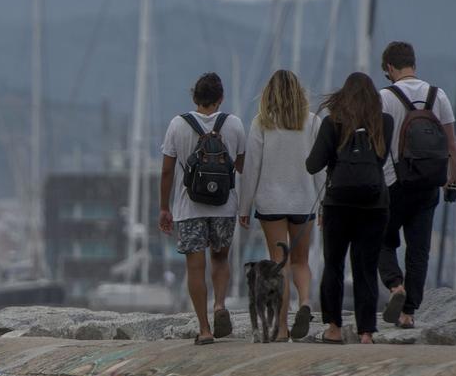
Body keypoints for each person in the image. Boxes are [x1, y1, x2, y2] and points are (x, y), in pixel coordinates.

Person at [375, 41, 456, 328]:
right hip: (428, 184)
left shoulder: (384, 97)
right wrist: (454, 178)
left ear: (389, 67)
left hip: (393, 183)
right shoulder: (438, 96)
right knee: (419, 250)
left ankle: (395, 286)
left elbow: (378, 144)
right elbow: (451, 143)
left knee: (381, 240)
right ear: (414, 63)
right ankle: (408, 313)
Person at [305, 72, 394, 344]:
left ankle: (333, 327)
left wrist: (336, 158)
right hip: (374, 203)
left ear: (343, 96)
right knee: (365, 267)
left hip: (338, 204)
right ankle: (366, 331)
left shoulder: (333, 122)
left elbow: (313, 165)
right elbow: (379, 161)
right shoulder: (385, 123)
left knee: (334, 264)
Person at [158, 72, 247, 344]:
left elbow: (167, 172)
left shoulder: (178, 124)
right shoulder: (233, 124)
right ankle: (220, 304)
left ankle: (205, 329)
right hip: (224, 207)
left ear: (194, 97)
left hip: (189, 208)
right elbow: (242, 167)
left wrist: (164, 208)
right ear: (221, 98)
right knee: (220, 259)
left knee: (195, 268)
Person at [237, 69, 322, 340]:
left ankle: (282, 328)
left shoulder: (261, 123)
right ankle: (306, 301)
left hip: (271, 202)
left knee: (279, 263)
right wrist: (323, 203)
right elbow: (321, 168)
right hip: (304, 201)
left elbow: (251, 169)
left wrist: (244, 207)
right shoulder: (312, 122)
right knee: (301, 261)